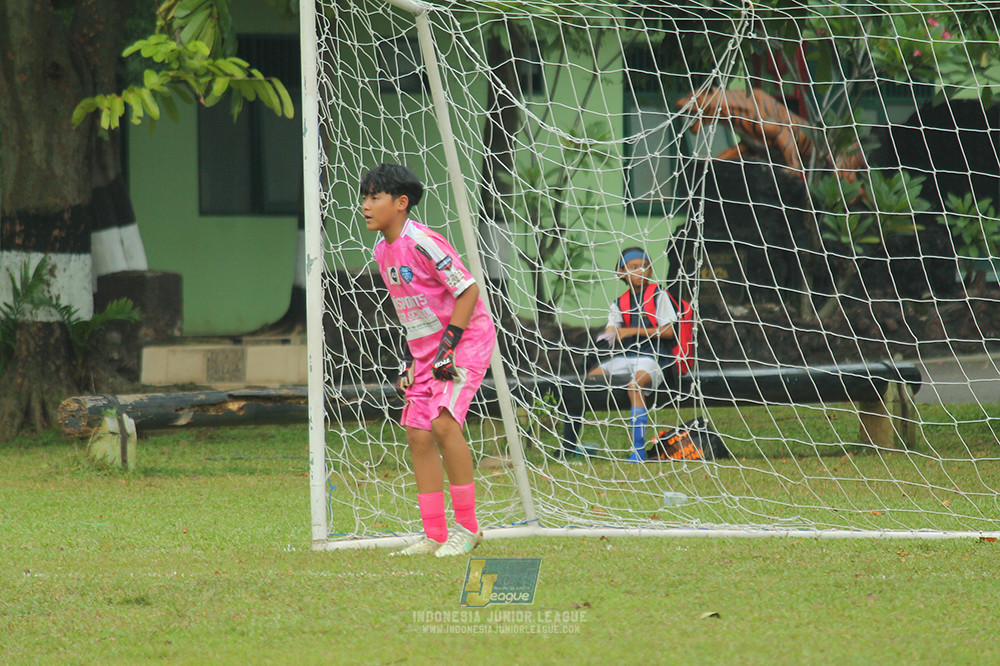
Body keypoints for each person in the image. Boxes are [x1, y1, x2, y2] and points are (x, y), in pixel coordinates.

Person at [362, 163, 495, 557]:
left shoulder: (425, 242)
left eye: (375, 197)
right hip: (425, 350)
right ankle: (434, 533)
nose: (366, 206)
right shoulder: (381, 249)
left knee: (442, 422)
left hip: (465, 338)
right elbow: (411, 310)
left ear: (401, 203)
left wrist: (449, 347)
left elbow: (468, 291)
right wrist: (408, 360)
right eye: (364, 198)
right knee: (418, 433)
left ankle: (468, 528)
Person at [561, 247, 678, 462]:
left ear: (651, 270)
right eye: (633, 267)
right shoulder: (619, 303)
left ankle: (638, 449)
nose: (639, 271)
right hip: (625, 358)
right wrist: (606, 337)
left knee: (635, 386)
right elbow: (610, 332)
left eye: (644, 266)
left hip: (653, 358)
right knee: (586, 383)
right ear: (621, 273)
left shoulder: (658, 295)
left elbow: (670, 330)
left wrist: (632, 330)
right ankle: (567, 447)